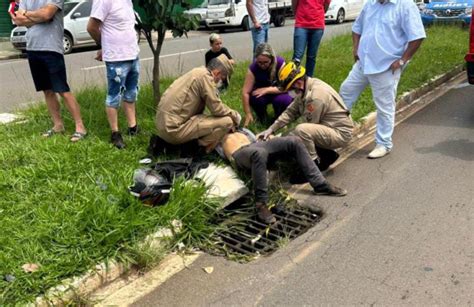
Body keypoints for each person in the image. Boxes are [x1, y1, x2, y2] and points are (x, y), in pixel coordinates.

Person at [339, 0, 425, 159]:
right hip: (363, 63)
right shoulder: (370, 4)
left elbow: (417, 36)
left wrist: (402, 60)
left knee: (384, 106)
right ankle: (339, 130)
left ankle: (384, 143)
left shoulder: (405, 6)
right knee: (345, 91)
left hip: (386, 67)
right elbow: (357, 28)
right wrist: (355, 47)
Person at [217, 128, 347, 224]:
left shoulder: (240, 128)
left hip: (255, 144)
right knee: (259, 153)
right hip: (239, 153)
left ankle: (320, 184)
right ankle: (261, 205)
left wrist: (267, 136)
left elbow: (253, 135)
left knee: (294, 141)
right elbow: (207, 146)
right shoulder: (213, 132)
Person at [10, 0, 87, 142]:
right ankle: (58, 125)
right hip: (33, 48)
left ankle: (80, 127)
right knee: (47, 90)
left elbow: (47, 14)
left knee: (62, 89)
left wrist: (28, 14)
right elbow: (18, 20)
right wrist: (37, 17)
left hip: (51, 48)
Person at [258, 61, 353, 170]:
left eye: (290, 89)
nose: (289, 92)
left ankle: (313, 165)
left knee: (301, 131)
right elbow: (290, 112)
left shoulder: (315, 96)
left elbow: (308, 125)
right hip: (328, 126)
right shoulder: (306, 87)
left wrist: (281, 139)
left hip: (340, 133)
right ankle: (328, 154)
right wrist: (271, 129)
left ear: (297, 83)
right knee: (298, 133)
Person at [156, 54, 241, 153]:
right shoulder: (206, 77)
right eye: (222, 78)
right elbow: (217, 108)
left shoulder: (197, 72)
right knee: (227, 122)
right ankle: (194, 148)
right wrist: (235, 115)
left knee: (208, 119)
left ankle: (181, 144)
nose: (220, 82)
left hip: (163, 127)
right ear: (217, 73)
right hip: (173, 130)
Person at [87, 0, 140, 149]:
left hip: (133, 55)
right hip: (116, 59)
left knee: (131, 92)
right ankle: (115, 133)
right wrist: (105, 45)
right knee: (114, 95)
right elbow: (91, 27)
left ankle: (133, 127)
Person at [242, 43, 292, 126]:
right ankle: (262, 118)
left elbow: (288, 87)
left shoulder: (280, 63)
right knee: (255, 97)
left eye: (265, 62)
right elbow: (245, 92)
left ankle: (280, 119)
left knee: (282, 100)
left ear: (271, 59)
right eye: (259, 62)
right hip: (262, 94)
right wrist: (248, 113)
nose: (262, 65)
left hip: (279, 91)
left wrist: (267, 90)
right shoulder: (253, 68)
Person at [292, 0, 330, 77]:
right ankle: (292, 79)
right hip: (301, 24)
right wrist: (297, 14)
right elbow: (294, 3)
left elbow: (326, 5)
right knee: (297, 56)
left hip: (317, 25)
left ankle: (308, 79)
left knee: (311, 56)